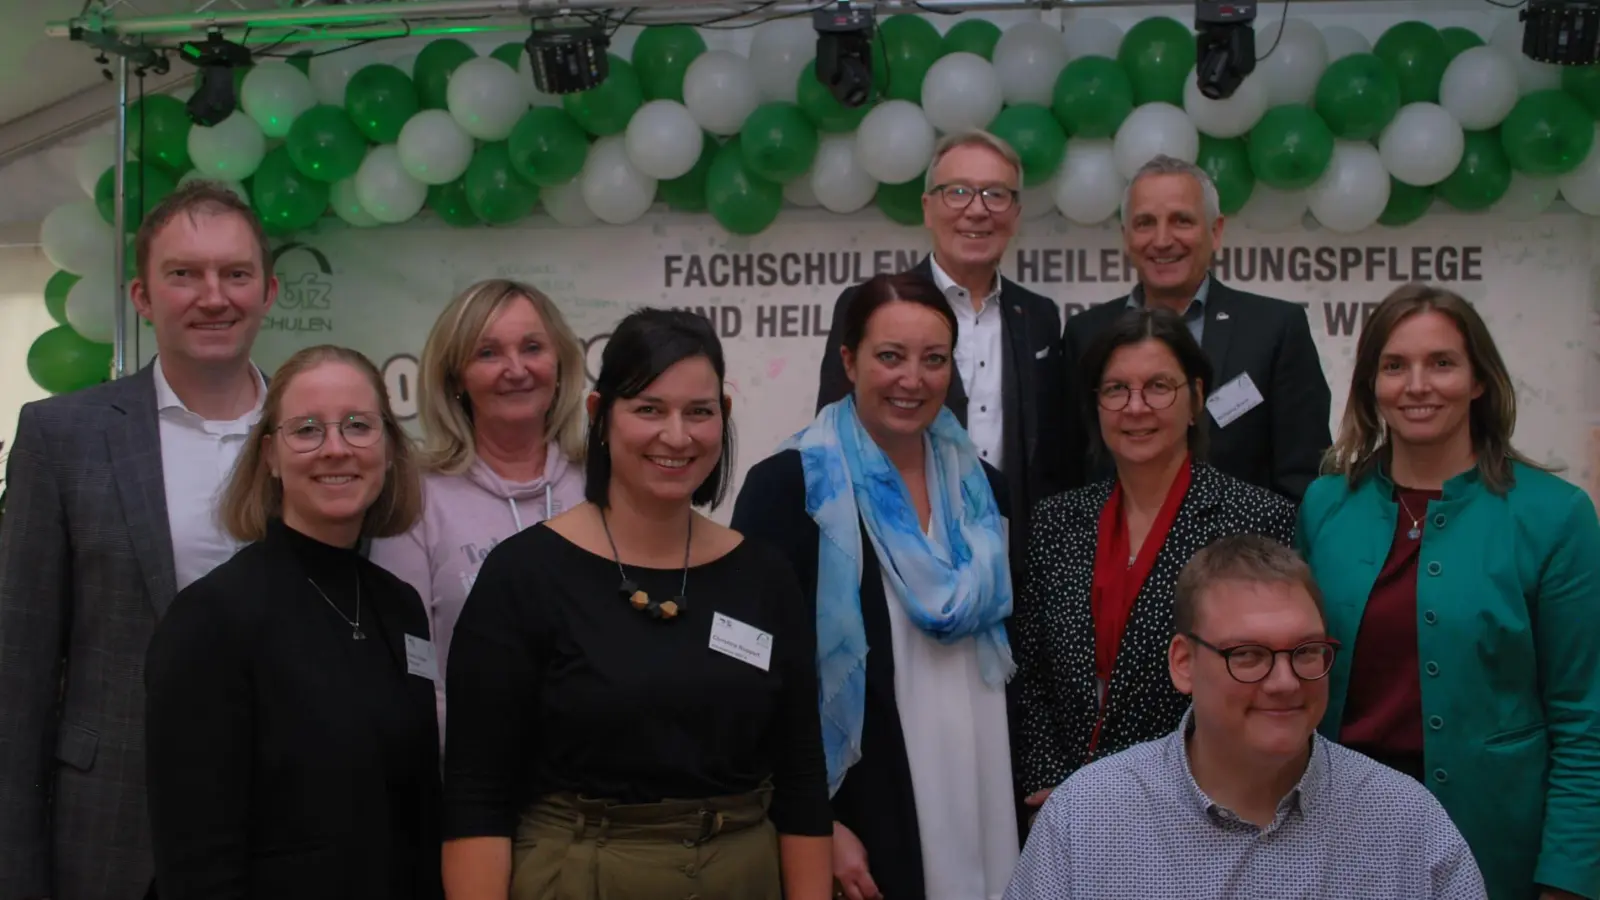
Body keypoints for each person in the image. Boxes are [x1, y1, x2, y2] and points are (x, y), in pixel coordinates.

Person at [441, 309, 832, 900]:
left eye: (698, 412)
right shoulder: (525, 576)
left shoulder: (764, 576)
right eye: (649, 409)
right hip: (582, 875)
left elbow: (801, 779)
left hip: (742, 876)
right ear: (601, 416)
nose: (677, 436)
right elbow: (477, 791)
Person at [0, 181, 275, 900]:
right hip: (115, 835)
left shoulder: (323, 437)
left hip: (289, 830)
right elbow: (16, 679)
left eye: (235, 274)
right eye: (183, 274)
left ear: (269, 292)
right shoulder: (63, 438)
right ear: (142, 296)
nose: (213, 296)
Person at [1298, 284, 1600, 900]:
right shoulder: (1326, 504)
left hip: (1495, 842)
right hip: (1337, 836)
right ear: (1370, 384)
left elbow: (1583, 714)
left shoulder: (1555, 516)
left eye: (1441, 363)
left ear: (1479, 380)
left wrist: (1567, 877)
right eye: (1394, 365)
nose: (1417, 385)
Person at [737, 272, 1019, 900]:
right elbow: (759, 680)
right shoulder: (791, 488)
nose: (912, 380)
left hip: (983, 790)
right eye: (890, 357)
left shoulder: (984, 490)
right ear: (849, 360)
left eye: (933, 360)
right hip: (864, 803)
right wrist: (817, 820)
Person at [1005, 535, 1487, 900]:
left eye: (1306, 651)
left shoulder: (1406, 822)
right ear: (1184, 664)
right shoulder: (1086, 820)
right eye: (1250, 654)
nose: (1285, 682)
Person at [144, 345, 439, 899]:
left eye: (358, 426)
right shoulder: (211, 619)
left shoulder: (399, 607)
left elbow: (418, 808)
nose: (336, 449)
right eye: (306, 430)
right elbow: (196, 858)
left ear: (390, 449)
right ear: (270, 457)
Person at [1012, 308, 1295, 811]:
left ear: (1196, 400)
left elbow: (1258, 681)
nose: (1136, 407)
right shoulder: (1057, 521)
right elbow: (1029, 673)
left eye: (1159, 387)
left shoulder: (1255, 520)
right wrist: (1050, 785)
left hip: (1198, 804)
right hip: (1063, 806)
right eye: (1116, 389)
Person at [815, 129, 1066, 567]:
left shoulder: (1040, 316)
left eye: (995, 194)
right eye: (958, 192)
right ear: (928, 208)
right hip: (900, 555)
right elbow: (836, 440)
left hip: (1012, 563)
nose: (977, 210)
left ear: (1016, 214)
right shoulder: (870, 306)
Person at [369, 278, 586, 734]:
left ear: (561, 364)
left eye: (532, 347)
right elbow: (410, 664)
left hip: (599, 783)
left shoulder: (603, 483)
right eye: (487, 353)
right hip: (470, 775)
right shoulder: (416, 496)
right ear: (455, 379)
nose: (516, 368)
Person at [1060, 155, 1331, 502]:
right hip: (1116, 553)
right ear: (1127, 237)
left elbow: (1306, 478)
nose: (1162, 240)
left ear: (1215, 231)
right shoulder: (1086, 335)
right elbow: (1070, 472)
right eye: (1145, 223)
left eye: (1181, 221)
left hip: (1244, 552)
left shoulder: (1276, 329)